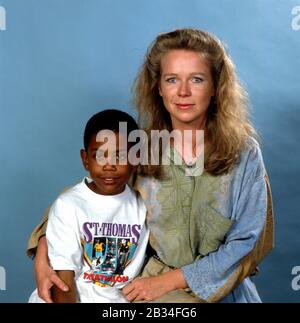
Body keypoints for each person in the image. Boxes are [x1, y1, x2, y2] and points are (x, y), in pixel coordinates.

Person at [27, 28, 274, 303]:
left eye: (196, 79)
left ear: (216, 86)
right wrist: (43, 252)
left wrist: (168, 281)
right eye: (171, 80)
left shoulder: (243, 153)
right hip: (149, 288)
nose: (183, 92)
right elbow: (85, 202)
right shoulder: (140, 147)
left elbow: (245, 243)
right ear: (158, 87)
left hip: (219, 287)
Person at [28, 109, 149, 303]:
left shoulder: (142, 205)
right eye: (100, 156)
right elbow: (63, 278)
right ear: (85, 159)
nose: (109, 165)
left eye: (120, 156)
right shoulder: (69, 205)